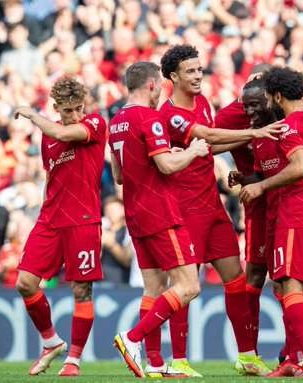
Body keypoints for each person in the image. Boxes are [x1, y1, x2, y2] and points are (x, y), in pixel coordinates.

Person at [158, 44, 278, 376]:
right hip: (184, 209)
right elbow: (207, 134)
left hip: (211, 206)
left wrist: (247, 139)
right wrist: (254, 132)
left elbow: (211, 145)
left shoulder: (203, 104)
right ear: (173, 77)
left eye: (199, 70)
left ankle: (246, 355)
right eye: (190, 71)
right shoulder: (171, 114)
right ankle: (178, 360)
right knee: (185, 284)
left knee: (235, 279)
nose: (198, 76)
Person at [109, 61, 208, 379]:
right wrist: (193, 151)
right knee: (189, 286)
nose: (161, 93)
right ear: (152, 85)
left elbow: (119, 176)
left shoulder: (116, 122)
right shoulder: (148, 118)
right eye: (160, 87)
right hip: (161, 213)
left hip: (135, 215)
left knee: (153, 288)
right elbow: (166, 165)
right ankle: (132, 338)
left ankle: (154, 363)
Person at [240, 67, 303, 377]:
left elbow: (299, 166)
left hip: (298, 212)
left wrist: (260, 186)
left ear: (277, 96)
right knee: (288, 285)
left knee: (289, 285)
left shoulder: (291, 125)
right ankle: (296, 358)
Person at [13, 76, 107, 377]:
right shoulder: (48, 136)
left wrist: (31, 114)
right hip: (50, 219)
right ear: (57, 108)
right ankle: (51, 341)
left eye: (79, 108)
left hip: (83, 220)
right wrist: (43, 209)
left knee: (82, 289)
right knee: (24, 283)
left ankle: (74, 360)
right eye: (68, 111)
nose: (76, 116)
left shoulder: (94, 124)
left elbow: (60, 131)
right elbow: (51, 176)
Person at [215, 65, 273, 366]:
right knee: (255, 274)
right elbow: (206, 142)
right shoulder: (229, 116)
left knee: (287, 278)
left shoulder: (285, 107)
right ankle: (248, 352)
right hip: (257, 203)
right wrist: (246, 138)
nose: (251, 109)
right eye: (247, 103)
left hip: (288, 199)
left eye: (257, 103)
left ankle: (298, 354)